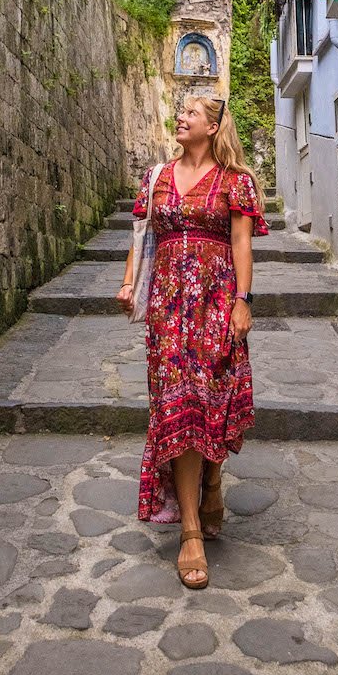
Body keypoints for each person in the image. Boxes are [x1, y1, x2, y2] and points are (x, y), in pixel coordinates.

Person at [118, 96, 268, 589]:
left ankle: (213, 480)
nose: (180, 118)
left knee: (212, 400)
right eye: (179, 112)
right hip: (167, 308)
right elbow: (142, 234)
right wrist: (129, 282)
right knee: (176, 408)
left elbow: (241, 242)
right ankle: (189, 530)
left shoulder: (236, 180)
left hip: (216, 300)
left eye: (191, 113)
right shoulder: (156, 177)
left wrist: (243, 301)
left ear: (213, 125)